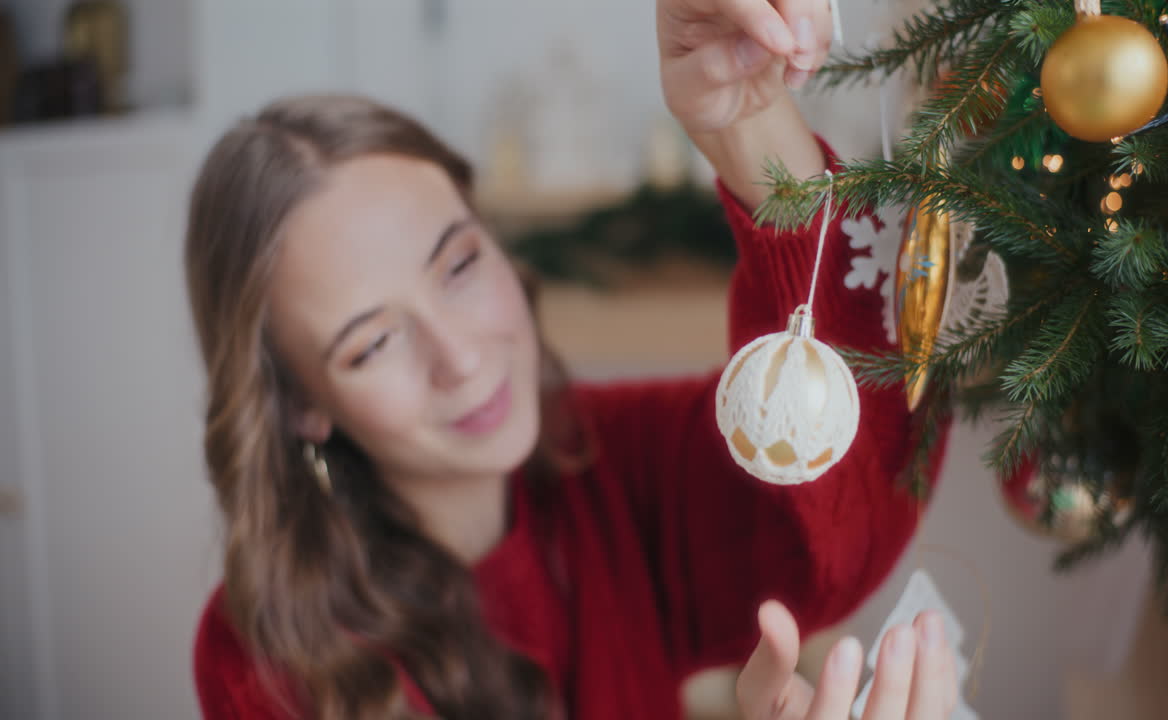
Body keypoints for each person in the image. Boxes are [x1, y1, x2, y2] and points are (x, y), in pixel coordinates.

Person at [188, 0, 956, 718]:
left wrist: (746, 122)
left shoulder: (615, 466)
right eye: (373, 342)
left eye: (458, 266)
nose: (459, 358)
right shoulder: (265, 655)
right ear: (299, 404)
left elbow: (862, 471)